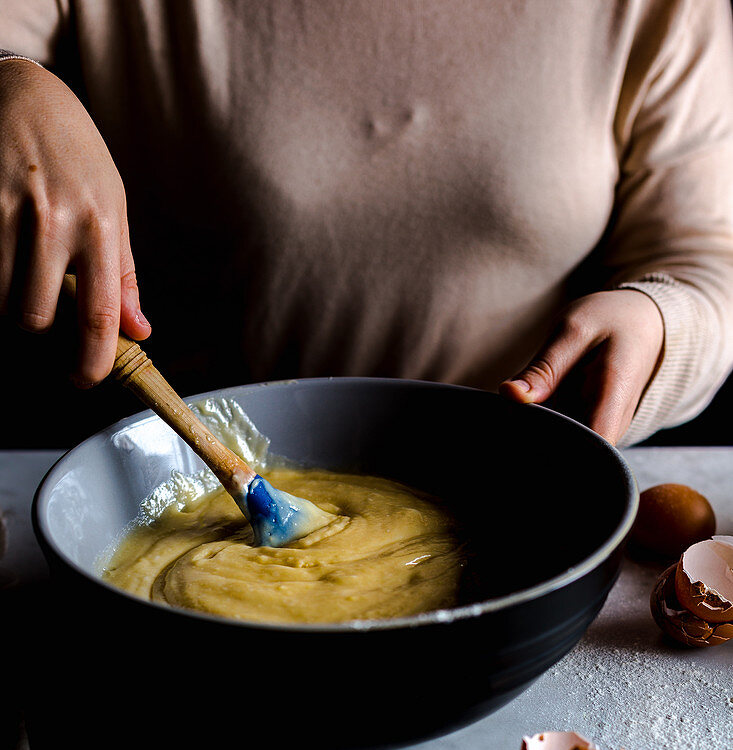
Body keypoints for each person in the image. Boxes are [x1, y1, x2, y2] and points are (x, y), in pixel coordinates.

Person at [1, 0, 733, 448]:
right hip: (152, 476)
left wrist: (658, 323)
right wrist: (9, 77)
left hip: (514, 498)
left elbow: (707, 260)